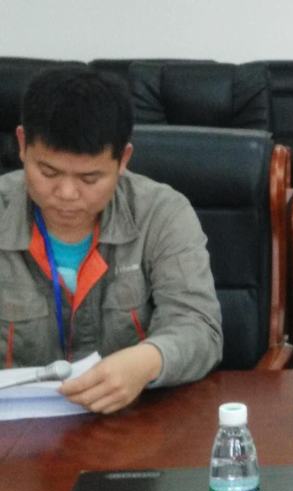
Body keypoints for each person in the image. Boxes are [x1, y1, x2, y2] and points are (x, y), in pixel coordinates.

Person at [0, 67, 222, 413]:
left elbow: (199, 327)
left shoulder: (161, 213)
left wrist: (148, 360)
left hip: (132, 422)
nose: (67, 193)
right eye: (49, 172)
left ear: (123, 160)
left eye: (89, 178)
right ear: (22, 144)